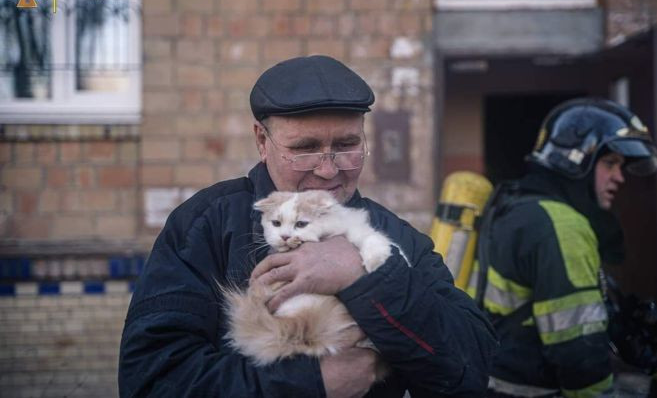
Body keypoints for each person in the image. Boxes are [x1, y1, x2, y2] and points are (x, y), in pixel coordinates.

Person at [118, 55, 497, 397]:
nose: (329, 169)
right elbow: (151, 380)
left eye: (347, 144)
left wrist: (363, 277)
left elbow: (470, 371)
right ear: (261, 142)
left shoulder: (398, 238)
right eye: (304, 148)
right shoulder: (206, 224)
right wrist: (311, 383)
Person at [473, 98, 657, 397]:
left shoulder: (516, 205)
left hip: (495, 382)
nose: (619, 177)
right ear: (576, 160)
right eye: (610, 163)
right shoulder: (563, 225)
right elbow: (578, 352)